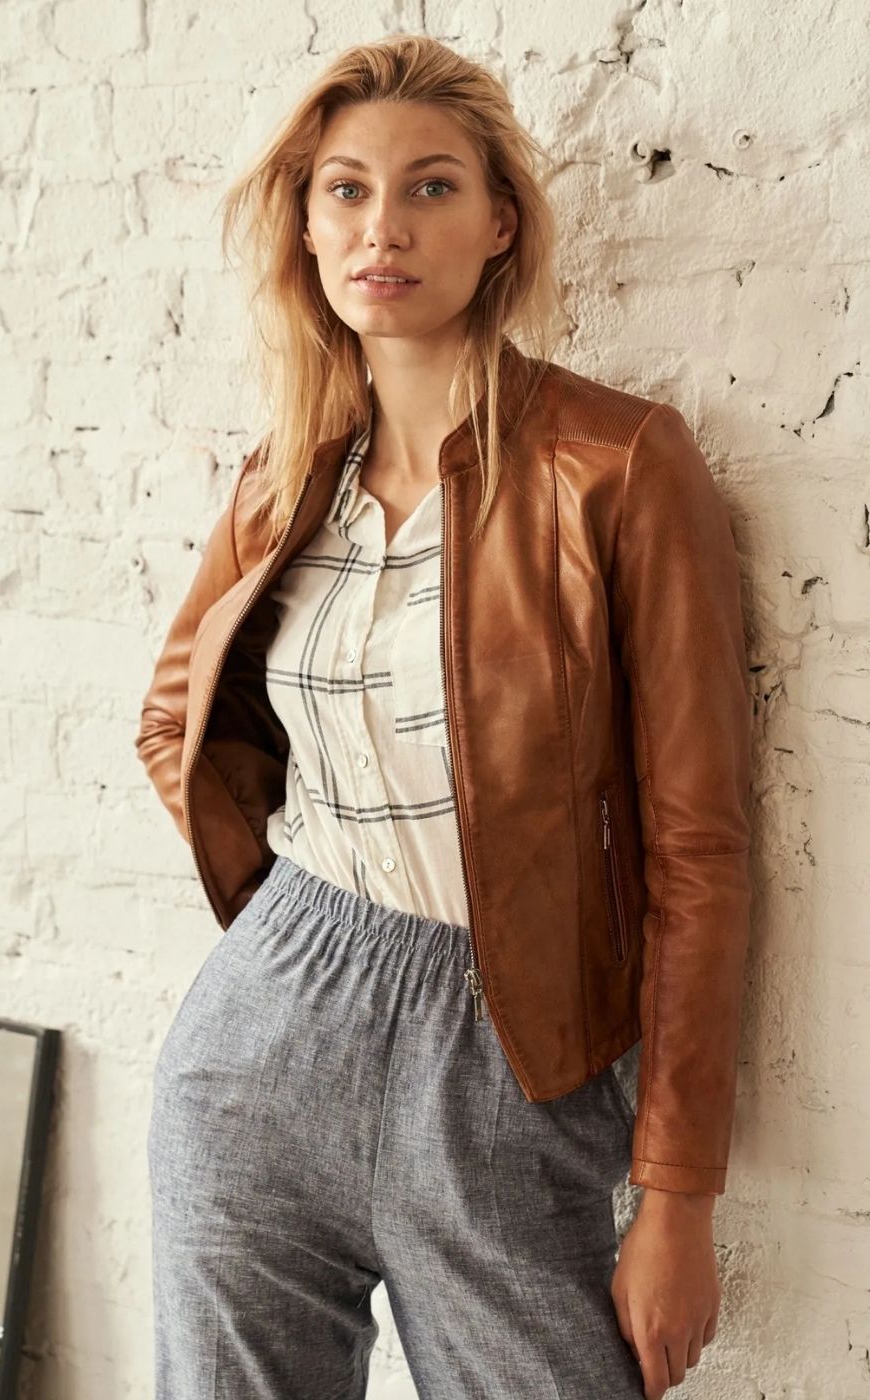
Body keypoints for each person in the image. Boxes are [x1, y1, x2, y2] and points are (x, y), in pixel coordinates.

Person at [136, 33, 753, 1400]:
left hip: (506, 1058)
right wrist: (296, 925)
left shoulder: (619, 466)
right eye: (345, 190)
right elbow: (175, 717)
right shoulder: (285, 477)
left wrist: (678, 1195)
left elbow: (699, 855)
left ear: (499, 223)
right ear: (305, 227)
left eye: (428, 188)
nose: (383, 227)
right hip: (264, 1034)